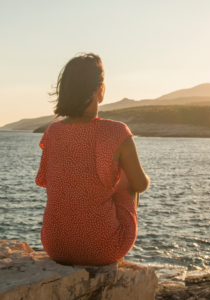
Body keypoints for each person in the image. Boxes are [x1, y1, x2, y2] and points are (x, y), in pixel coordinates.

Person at [35, 53, 150, 266]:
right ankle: (115, 255)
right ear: (101, 90)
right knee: (127, 183)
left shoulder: (52, 131)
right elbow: (140, 185)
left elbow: (49, 182)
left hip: (55, 246)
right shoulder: (116, 131)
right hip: (103, 248)